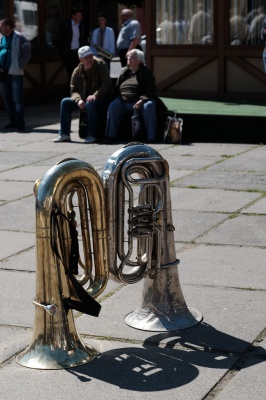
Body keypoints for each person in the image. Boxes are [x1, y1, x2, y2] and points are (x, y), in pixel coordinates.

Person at [54, 45, 113, 144]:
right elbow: (73, 89)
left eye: (90, 56)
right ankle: (64, 134)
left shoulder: (100, 64)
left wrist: (96, 95)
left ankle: (92, 135)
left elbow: (107, 84)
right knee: (65, 102)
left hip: (100, 98)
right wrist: (78, 100)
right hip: (84, 98)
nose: (89, 60)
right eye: (86, 58)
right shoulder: (77, 70)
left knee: (90, 104)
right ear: (80, 59)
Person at [104, 49, 157, 144]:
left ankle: (151, 137)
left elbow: (151, 91)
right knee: (113, 106)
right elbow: (117, 88)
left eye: (131, 57)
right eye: (128, 56)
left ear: (139, 60)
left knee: (149, 106)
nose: (128, 58)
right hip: (123, 101)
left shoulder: (146, 72)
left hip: (141, 101)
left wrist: (142, 100)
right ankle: (110, 136)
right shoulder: (124, 71)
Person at [0, 18, 31, 131]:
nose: (0, 29)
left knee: (17, 99)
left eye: (1, 26)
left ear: (8, 27)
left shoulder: (19, 37)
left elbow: (27, 52)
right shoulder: (1, 38)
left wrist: (20, 64)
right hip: (3, 74)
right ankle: (12, 121)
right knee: (7, 99)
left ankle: (20, 123)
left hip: (15, 73)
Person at [56, 7, 85, 85]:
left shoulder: (80, 26)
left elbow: (82, 39)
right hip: (68, 53)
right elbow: (59, 39)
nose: (80, 18)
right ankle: (71, 92)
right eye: (78, 16)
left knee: (78, 72)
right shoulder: (66, 25)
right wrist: (62, 52)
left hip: (77, 53)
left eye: (81, 16)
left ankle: (76, 91)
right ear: (73, 16)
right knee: (72, 72)